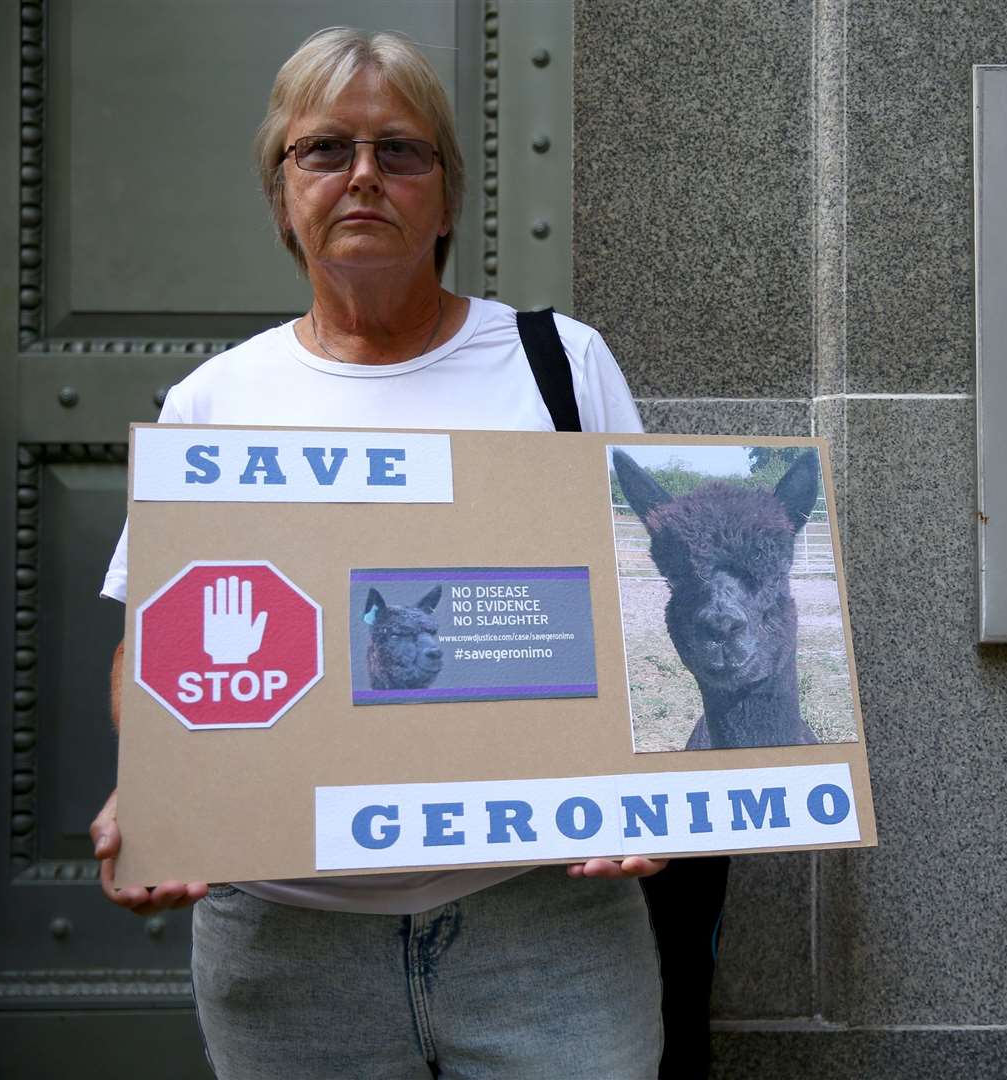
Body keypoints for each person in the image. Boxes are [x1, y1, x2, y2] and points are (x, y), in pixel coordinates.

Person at [88, 28, 669, 1078]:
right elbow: (154, 648)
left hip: (544, 926)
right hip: (286, 942)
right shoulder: (215, 403)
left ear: (446, 199)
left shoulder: (559, 364)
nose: (363, 175)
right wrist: (154, 781)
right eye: (324, 150)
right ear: (283, 195)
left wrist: (661, 784)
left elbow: (647, 602)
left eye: (400, 151)